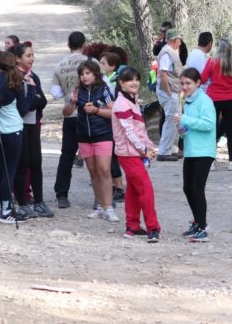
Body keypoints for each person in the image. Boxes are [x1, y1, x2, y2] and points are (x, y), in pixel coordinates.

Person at [62, 61, 118, 222]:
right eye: (82, 74)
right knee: (93, 171)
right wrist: (72, 102)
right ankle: (100, 206)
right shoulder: (77, 91)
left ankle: (109, 207)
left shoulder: (104, 90)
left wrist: (97, 111)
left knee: (104, 170)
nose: (84, 76)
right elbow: (66, 113)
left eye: (87, 73)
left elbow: (114, 111)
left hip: (103, 135)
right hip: (84, 136)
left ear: (95, 74)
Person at [111, 67, 160, 242]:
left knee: (132, 190)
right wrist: (144, 150)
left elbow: (140, 129)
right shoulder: (122, 103)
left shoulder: (132, 100)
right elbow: (129, 132)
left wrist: (149, 145)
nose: (134, 83)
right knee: (146, 189)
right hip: (128, 154)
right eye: (129, 80)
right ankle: (153, 228)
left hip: (133, 153)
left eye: (136, 79)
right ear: (121, 83)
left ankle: (132, 226)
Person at [51, 31, 96, 208]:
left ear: (68, 45)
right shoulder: (91, 63)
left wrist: (68, 93)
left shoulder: (60, 65)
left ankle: (61, 194)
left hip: (71, 114)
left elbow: (55, 93)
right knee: (95, 156)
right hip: (91, 114)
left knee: (67, 155)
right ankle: (100, 197)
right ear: (84, 44)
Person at [0, 51, 35, 224]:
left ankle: (4, 207)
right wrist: (31, 89)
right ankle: (6, 211)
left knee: (0, 170)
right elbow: (23, 109)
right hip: (13, 130)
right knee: (10, 171)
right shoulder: (14, 81)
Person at [10, 43, 53, 219]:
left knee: (36, 163)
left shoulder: (33, 75)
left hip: (33, 123)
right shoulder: (14, 77)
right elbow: (22, 107)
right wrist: (32, 96)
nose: (32, 58)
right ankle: (22, 203)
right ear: (18, 58)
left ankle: (39, 202)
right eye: (28, 55)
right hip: (18, 125)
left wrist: (34, 97)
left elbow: (42, 101)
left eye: (33, 55)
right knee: (22, 165)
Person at [174, 67, 216, 242]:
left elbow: (209, 125)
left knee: (197, 189)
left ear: (198, 83)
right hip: (192, 150)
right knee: (187, 188)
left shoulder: (204, 101)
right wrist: (182, 130)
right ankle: (197, 222)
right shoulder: (189, 101)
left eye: (188, 83)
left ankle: (203, 227)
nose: (185, 86)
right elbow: (189, 128)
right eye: (182, 83)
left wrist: (185, 120)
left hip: (204, 151)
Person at [201, 38, 232, 171]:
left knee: (212, 128)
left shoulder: (211, 62)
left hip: (213, 98)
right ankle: (231, 162)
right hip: (229, 98)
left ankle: (212, 161)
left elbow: (202, 78)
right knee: (230, 129)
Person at [98, 51, 126, 202]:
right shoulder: (105, 79)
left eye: (103, 63)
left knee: (113, 156)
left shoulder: (114, 82)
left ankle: (119, 187)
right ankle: (115, 186)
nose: (100, 65)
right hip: (107, 121)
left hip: (113, 123)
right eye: (100, 62)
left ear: (112, 66)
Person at [156, 28, 184, 161]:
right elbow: (163, 73)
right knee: (171, 120)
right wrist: (168, 92)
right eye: (179, 39)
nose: (180, 42)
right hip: (169, 91)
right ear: (174, 40)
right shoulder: (167, 52)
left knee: (176, 119)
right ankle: (164, 151)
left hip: (174, 90)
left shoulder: (171, 51)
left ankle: (173, 149)